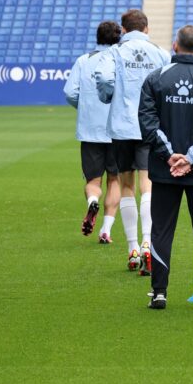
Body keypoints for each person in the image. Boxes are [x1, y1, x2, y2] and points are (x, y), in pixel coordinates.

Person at [138, 25, 193, 310]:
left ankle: (159, 293)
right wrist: (190, 158)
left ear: (175, 46)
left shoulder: (155, 78)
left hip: (164, 170)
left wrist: (170, 156)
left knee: (161, 230)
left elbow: (147, 123)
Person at [95, 9, 170, 275]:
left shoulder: (114, 52)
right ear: (146, 28)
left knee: (126, 185)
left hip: (123, 125)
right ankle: (149, 243)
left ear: (124, 30)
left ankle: (133, 248)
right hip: (150, 125)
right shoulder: (160, 53)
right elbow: (168, 82)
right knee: (147, 184)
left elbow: (103, 79)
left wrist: (108, 97)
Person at [65, 20, 122, 242]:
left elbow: (70, 92)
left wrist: (87, 107)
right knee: (116, 180)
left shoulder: (83, 60)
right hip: (117, 130)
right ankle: (106, 229)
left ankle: (92, 202)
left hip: (90, 130)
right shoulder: (119, 59)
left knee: (93, 180)